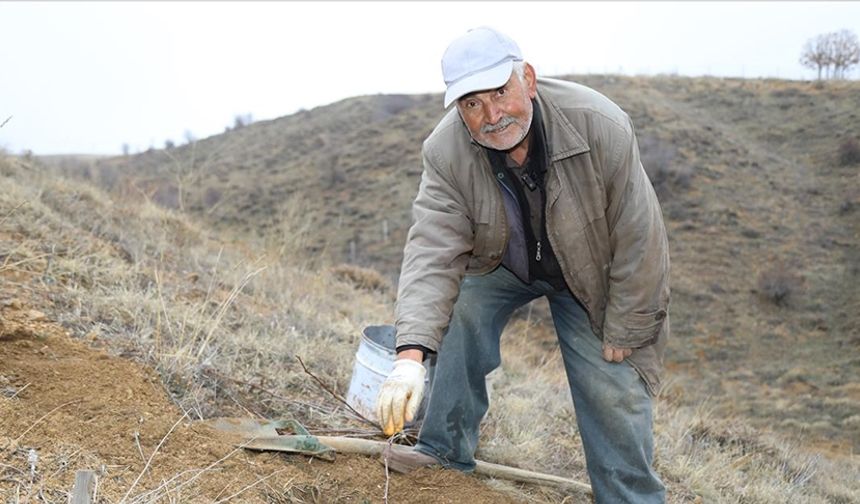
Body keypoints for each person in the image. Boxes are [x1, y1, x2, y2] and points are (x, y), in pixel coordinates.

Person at [376, 26, 669, 503]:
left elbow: (641, 234)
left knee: (612, 388)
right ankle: (444, 453)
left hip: (591, 277)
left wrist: (628, 326)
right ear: (459, 111)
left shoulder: (599, 123)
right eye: (473, 104)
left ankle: (628, 497)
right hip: (503, 263)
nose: (492, 115)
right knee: (459, 310)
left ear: (527, 79)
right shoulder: (445, 151)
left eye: (500, 92)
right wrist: (409, 358)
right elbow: (432, 249)